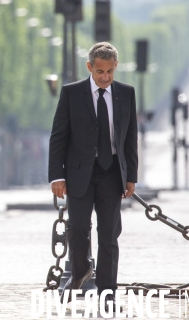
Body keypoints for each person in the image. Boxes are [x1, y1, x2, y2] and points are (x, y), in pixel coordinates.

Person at [48, 42, 137, 310]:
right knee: (77, 229)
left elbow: (130, 138)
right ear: (90, 67)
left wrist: (130, 176)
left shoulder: (126, 94)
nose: (105, 77)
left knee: (109, 234)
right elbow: (58, 136)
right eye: (99, 71)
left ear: (115, 68)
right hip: (78, 174)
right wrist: (56, 176)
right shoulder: (72, 93)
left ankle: (108, 291)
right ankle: (80, 270)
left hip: (111, 174)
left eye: (109, 71)